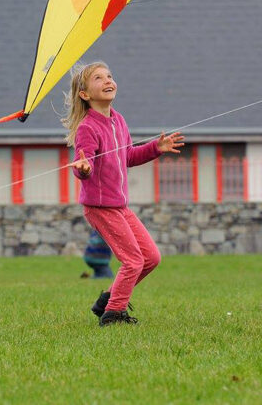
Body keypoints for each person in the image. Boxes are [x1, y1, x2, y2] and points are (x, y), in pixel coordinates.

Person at [63, 61, 184, 326]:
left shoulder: (118, 120)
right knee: (132, 260)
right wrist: (83, 169)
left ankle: (107, 300)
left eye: (109, 76)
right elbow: (85, 164)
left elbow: (128, 156)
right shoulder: (88, 127)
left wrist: (156, 147)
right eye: (98, 78)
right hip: (99, 207)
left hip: (119, 206)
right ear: (84, 94)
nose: (107, 80)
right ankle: (113, 314)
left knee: (151, 258)